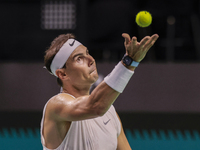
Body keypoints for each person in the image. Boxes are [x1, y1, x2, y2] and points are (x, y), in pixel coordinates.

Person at [41, 33, 159, 150]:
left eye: (87, 53)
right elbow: (95, 106)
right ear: (63, 74)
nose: (91, 59)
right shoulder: (56, 105)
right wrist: (129, 63)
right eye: (79, 59)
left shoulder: (110, 112)